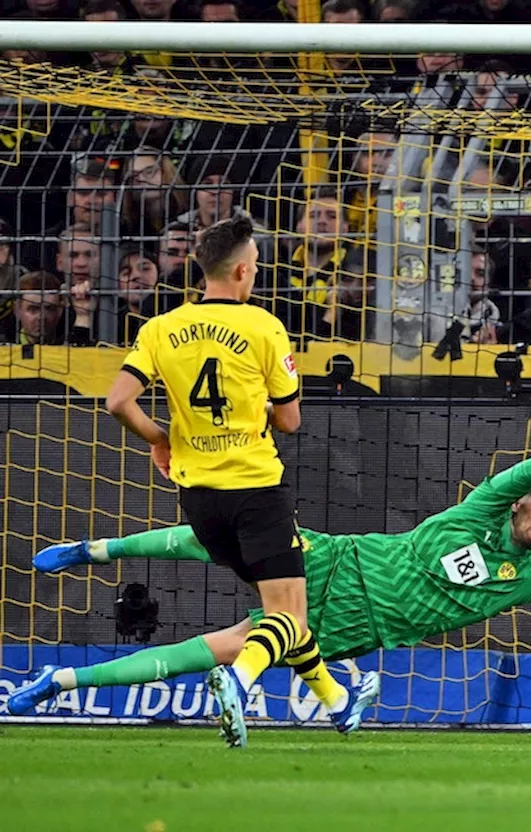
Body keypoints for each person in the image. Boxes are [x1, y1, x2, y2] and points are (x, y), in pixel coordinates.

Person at [9, 458, 531, 725]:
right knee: (217, 541)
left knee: (200, 654)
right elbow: (527, 463)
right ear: (519, 506)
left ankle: (60, 679)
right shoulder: (483, 508)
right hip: (342, 564)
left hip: (348, 632)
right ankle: (94, 547)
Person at [99, 215, 358, 749]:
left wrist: (160, 437)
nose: (258, 271)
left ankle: (338, 702)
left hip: (198, 501)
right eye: (257, 263)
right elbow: (289, 421)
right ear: (243, 269)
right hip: (257, 492)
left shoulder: (159, 328)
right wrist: (261, 404)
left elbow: (118, 403)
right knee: (286, 616)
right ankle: (237, 679)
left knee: (285, 614)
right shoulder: (264, 327)